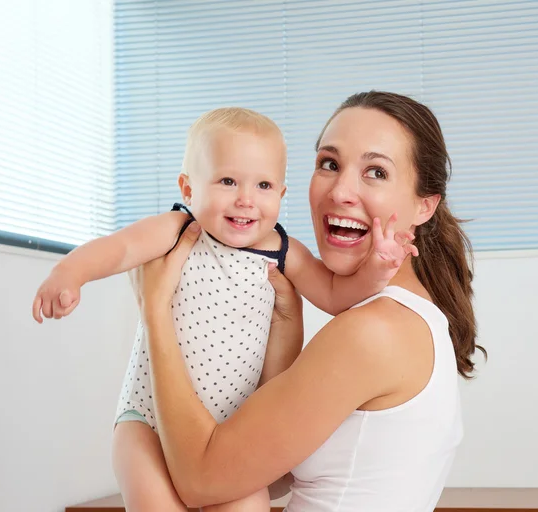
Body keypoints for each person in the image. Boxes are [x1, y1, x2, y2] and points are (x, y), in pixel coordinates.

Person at [32, 107, 416, 511]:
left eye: (264, 185)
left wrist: (378, 268)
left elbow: (338, 295)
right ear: (188, 188)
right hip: (148, 419)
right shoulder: (178, 230)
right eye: (228, 181)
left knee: (249, 504)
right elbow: (120, 247)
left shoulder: (283, 251)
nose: (246, 200)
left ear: (281, 195)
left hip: (230, 432)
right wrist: (69, 273)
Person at [129, 91, 486, 512]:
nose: (341, 192)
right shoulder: (411, 316)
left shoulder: (376, 331)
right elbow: (263, 471)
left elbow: (202, 481)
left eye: (375, 172)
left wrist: (155, 310)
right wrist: (287, 325)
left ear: (424, 206)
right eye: (329, 164)